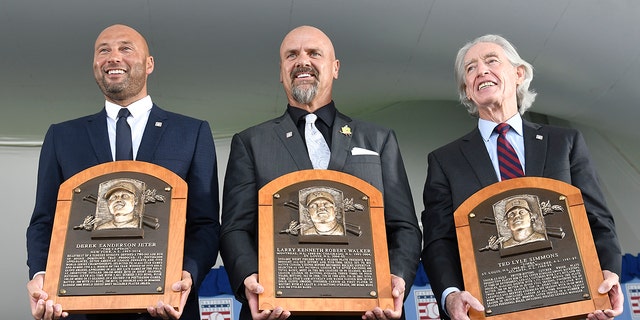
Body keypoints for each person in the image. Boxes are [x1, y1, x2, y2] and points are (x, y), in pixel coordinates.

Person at [219, 25, 422, 320]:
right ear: (281, 71)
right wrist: (250, 279)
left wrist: (397, 277)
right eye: (292, 55)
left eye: (314, 53)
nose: (302, 61)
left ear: (335, 67)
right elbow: (235, 227)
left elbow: (404, 225)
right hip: (280, 310)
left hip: (369, 309)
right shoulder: (250, 142)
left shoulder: (378, 139)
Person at [420, 34, 623, 320]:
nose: (481, 71)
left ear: (518, 74)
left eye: (491, 61)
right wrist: (451, 295)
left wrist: (608, 274)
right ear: (467, 90)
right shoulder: (445, 160)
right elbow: (438, 240)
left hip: (573, 306)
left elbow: (598, 220)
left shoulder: (564, 143)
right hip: (490, 309)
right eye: (470, 68)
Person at [26, 24, 220, 320]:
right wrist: (42, 275)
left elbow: (205, 223)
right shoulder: (62, 136)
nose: (113, 57)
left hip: (165, 307)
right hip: (78, 308)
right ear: (95, 65)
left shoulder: (191, 132)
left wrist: (188, 274)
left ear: (149, 63)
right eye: (103, 50)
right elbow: (44, 221)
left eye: (125, 48)